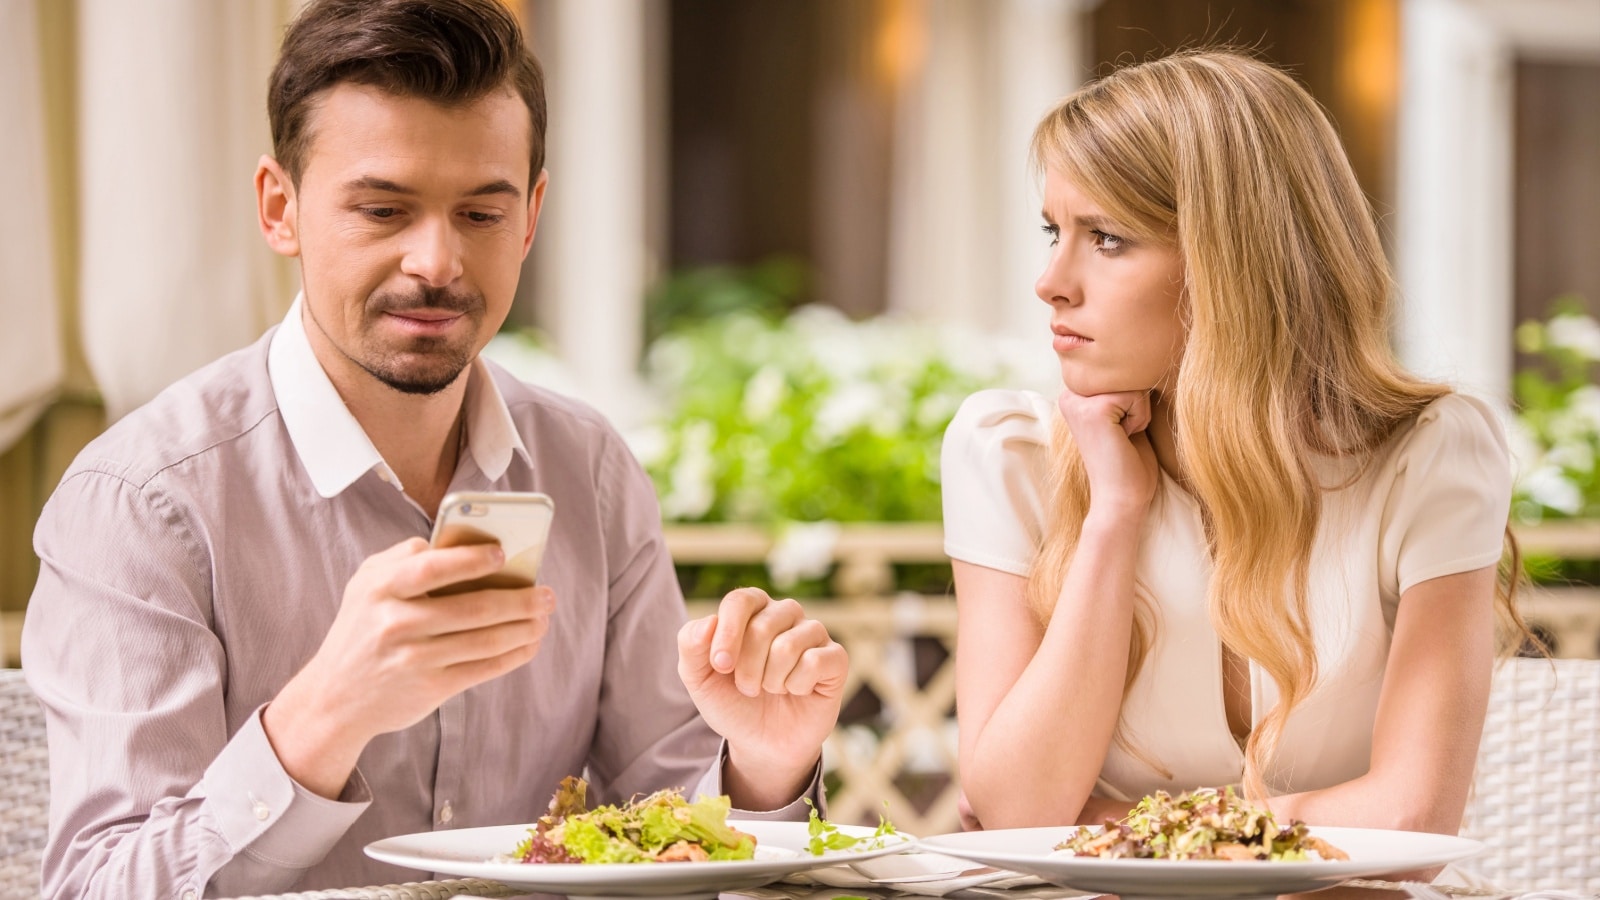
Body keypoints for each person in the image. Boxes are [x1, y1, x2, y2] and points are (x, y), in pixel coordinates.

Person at [21, 1, 846, 897]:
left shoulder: (590, 469)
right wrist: (324, 715)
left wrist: (760, 770)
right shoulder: (141, 501)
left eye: (480, 215)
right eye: (383, 210)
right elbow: (95, 887)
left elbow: (662, 828)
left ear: (530, 218)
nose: (437, 261)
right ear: (279, 207)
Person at [942, 50, 1535, 836]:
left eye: (1108, 239)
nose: (1052, 281)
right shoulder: (1007, 455)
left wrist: (1122, 823)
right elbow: (1016, 812)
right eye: (1055, 231)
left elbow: (1413, 817)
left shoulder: (1430, 460)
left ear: (1234, 262)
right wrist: (1116, 513)